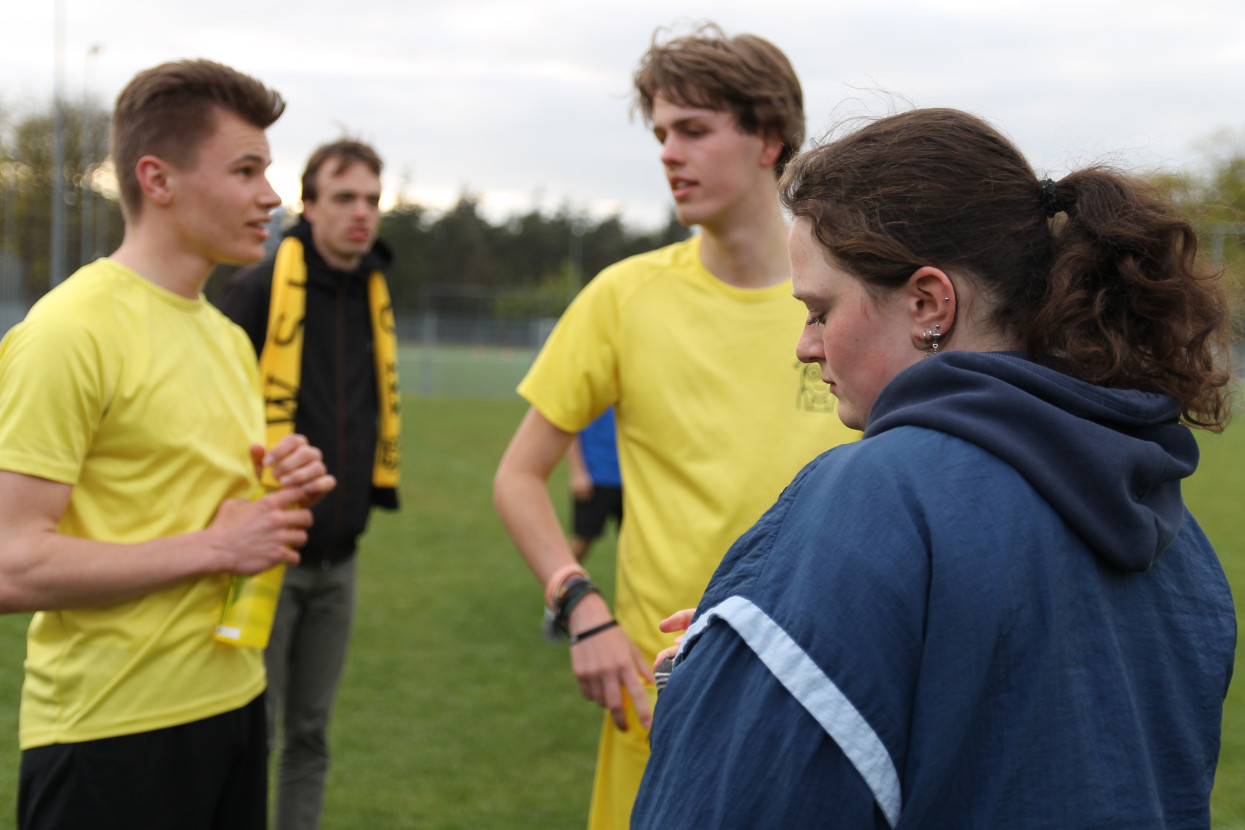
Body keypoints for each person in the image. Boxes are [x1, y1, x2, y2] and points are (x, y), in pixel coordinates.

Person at [632, 107, 1237, 828]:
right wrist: (794, 632)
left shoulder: (870, 500)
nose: (803, 345)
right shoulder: (1171, 528)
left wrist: (718, 693)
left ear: (928, 303)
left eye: (820, 310)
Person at [492, 23, 860, 830]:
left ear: (769, 138)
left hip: (827, 681)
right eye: (660, 133)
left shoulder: (851, 301)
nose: (668, 152)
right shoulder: (622, 297)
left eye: (693, 130)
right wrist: (578, 603)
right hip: (662, 691)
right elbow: (517, 476)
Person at [0, 59, 337, 830]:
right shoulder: (67, 331)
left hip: (233, 705)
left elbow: (202, 509)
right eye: (246, 170)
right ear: (158, 179)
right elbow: (11, 563)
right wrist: (217, 548)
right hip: (108, 735)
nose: (271, 197)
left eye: (268, 171)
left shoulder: (222, 335)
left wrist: (283, 488)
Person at [218, 139, 400, 830]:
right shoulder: (258, 286)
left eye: (372, 200)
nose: (361, 214)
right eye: (345, 198)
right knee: (249, 733)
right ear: (309, 204)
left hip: (341, 557)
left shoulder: (376, 290)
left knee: (311, 735)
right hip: (267, 552)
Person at [541, 408, 624, 642]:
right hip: (595, 478)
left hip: (632, 481)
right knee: (580, 544)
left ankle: (634, 615)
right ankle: (554, 610)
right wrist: (578, 472)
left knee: (636, 549)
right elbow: (573, 428)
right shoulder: (596, 386)